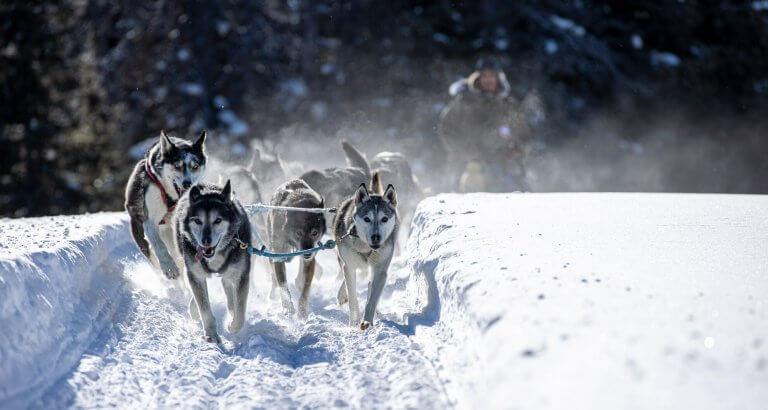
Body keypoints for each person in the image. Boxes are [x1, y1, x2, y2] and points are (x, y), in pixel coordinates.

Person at [438, 62, 544, 192]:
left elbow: (523, 134)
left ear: (498, 79)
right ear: (477, 78)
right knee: (470, 186)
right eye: (484, 76)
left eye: (492, 76)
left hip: (503, 162)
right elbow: (446, 129)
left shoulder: (508, 105)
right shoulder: (464, 102)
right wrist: (462, 151)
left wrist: (517, 149)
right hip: (468, 163)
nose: (488, 80)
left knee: (518, 188)